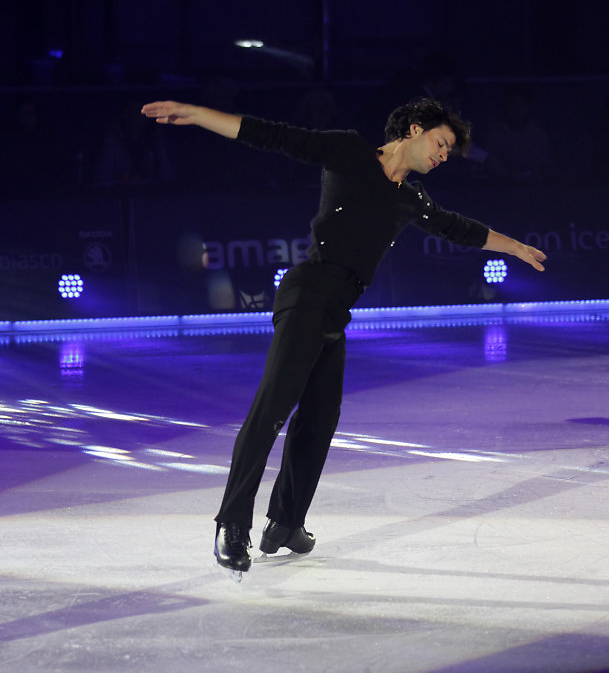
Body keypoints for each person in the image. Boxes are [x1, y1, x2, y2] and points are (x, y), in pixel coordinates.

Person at [141, 96, 547, 575]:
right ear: (414, 129)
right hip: (308, 292)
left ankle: (285, 522)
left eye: (448, 152)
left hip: (336, 308)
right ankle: (231, 526)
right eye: (440, 143)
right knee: (272, 410)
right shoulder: (350, 153)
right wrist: (198, 115)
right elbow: (274, 135)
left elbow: (459, 229)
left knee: (319, 420)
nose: (442, 156)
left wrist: (517, 247)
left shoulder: (408, 197)